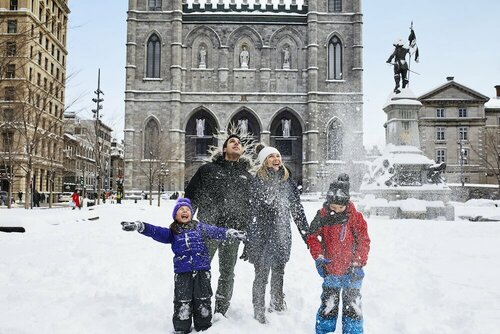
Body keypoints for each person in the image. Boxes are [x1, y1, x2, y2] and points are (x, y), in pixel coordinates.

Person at [120, 198, 246, 334]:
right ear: (175, 215)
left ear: (191, 214)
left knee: (203, 299)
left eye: (187, 210)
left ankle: (204, 326)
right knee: (182, 301)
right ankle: (182, 327)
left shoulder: (201, 228)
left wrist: (230, 233)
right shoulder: (172, 232)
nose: (185, 211)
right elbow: (155, 231)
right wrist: (140, 226)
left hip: (202, 272)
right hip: (182, 273)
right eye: (181, 210)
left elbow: (216, 231)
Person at [184, 134, 252, 316]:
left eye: (239, 143)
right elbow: (190, 195)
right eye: (232, 142)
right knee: (200, 269)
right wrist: (184, 222)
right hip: (208, 229)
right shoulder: (208, 170)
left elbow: (250, 209)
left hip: (233, 232)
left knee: (227, 273)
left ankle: (221, 311)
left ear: (243, 151)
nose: (236, 144)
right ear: (224, 149)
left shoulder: (247, 176)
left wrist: (248, 238)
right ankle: (200, 306)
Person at [246, 144, 309, 324]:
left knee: (279, 270)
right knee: (262, 274)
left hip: (282, 233)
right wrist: (251, 238)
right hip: (263, 235)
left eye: (278, 156)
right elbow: (252, 211)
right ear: (264, 161)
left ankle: (277, 302)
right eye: (271, 156)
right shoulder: (256, 180)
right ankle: (259, 310)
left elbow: (297, 209)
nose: (276, 159)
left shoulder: (287, 180)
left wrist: (306, 233)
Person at [306, 174, 371, 334]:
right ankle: (324, 330)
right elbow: (312, 237)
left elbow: (364, 241)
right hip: (331, 269)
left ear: (347, 203)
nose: (335, 211)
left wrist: (358, 261)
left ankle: (353, 331)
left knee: (353, 306)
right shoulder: (322, 215)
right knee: (329, 305)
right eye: (332, 207)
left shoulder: (355, 217)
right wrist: (319, 257)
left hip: (352, 271)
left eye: (340, 208)